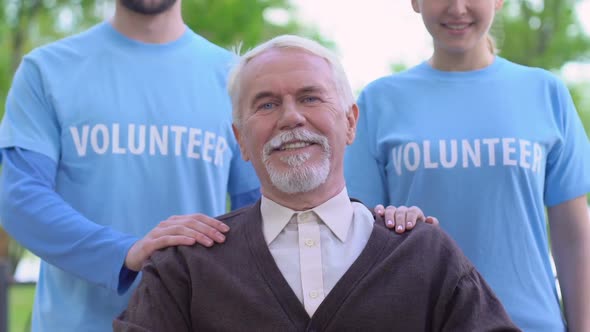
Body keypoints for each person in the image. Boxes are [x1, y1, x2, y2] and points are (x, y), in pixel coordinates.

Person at [113, 34, 519, 332]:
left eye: (310, 97)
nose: (291, 117)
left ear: (350, 122)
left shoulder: (424, 254)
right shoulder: (187, 266)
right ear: (241, 141)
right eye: (267, 104)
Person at [0, 1, 263, 331]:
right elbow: (20, 200)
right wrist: (124, 252)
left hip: (192, 322)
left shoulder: (236, 78)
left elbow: (257, 215)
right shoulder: (47, 69)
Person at [344, 0, 590, 331]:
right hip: (422, 322)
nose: (458, 8)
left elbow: (573, 236)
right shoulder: (378, 102)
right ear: (415, 2)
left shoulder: (545, 93)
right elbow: (361, 237)